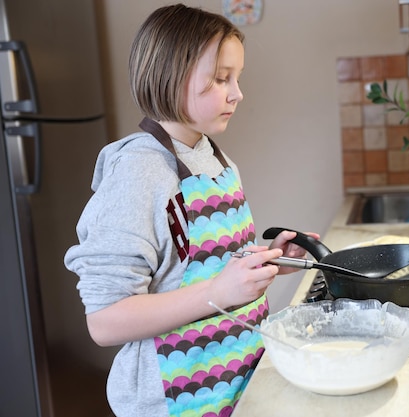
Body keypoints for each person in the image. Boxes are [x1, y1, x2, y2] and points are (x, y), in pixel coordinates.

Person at [64, 4, 316, 416]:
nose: (237, 93)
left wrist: (264, 265)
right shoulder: (139, 172)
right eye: (221, 79)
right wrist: (218, 292)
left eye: (237, 78)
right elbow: (105, 321)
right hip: (173, 401)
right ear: (169, 77)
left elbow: (197, 270)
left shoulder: (216, 160)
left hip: (235, 381)